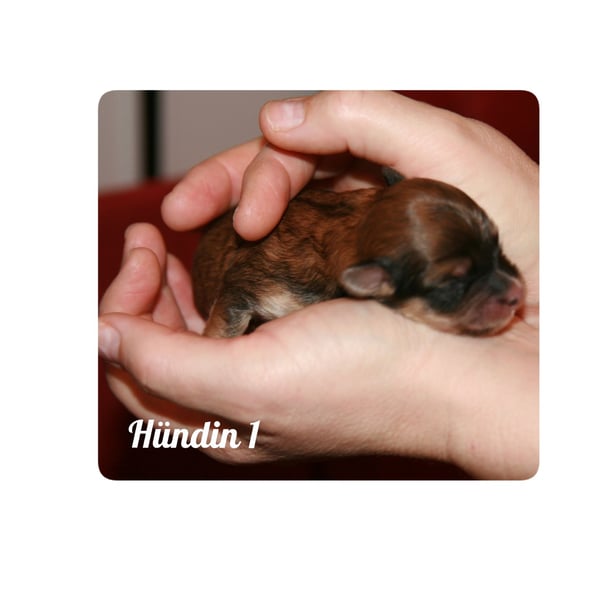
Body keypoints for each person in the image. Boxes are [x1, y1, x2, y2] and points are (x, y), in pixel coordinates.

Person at [98, 91, 539, 479]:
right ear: (372, 281)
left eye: (494, 246)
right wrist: (215, 353)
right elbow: (237, 294)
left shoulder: (376, 226)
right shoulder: (290, 276)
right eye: (457, 281)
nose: (511, 288)